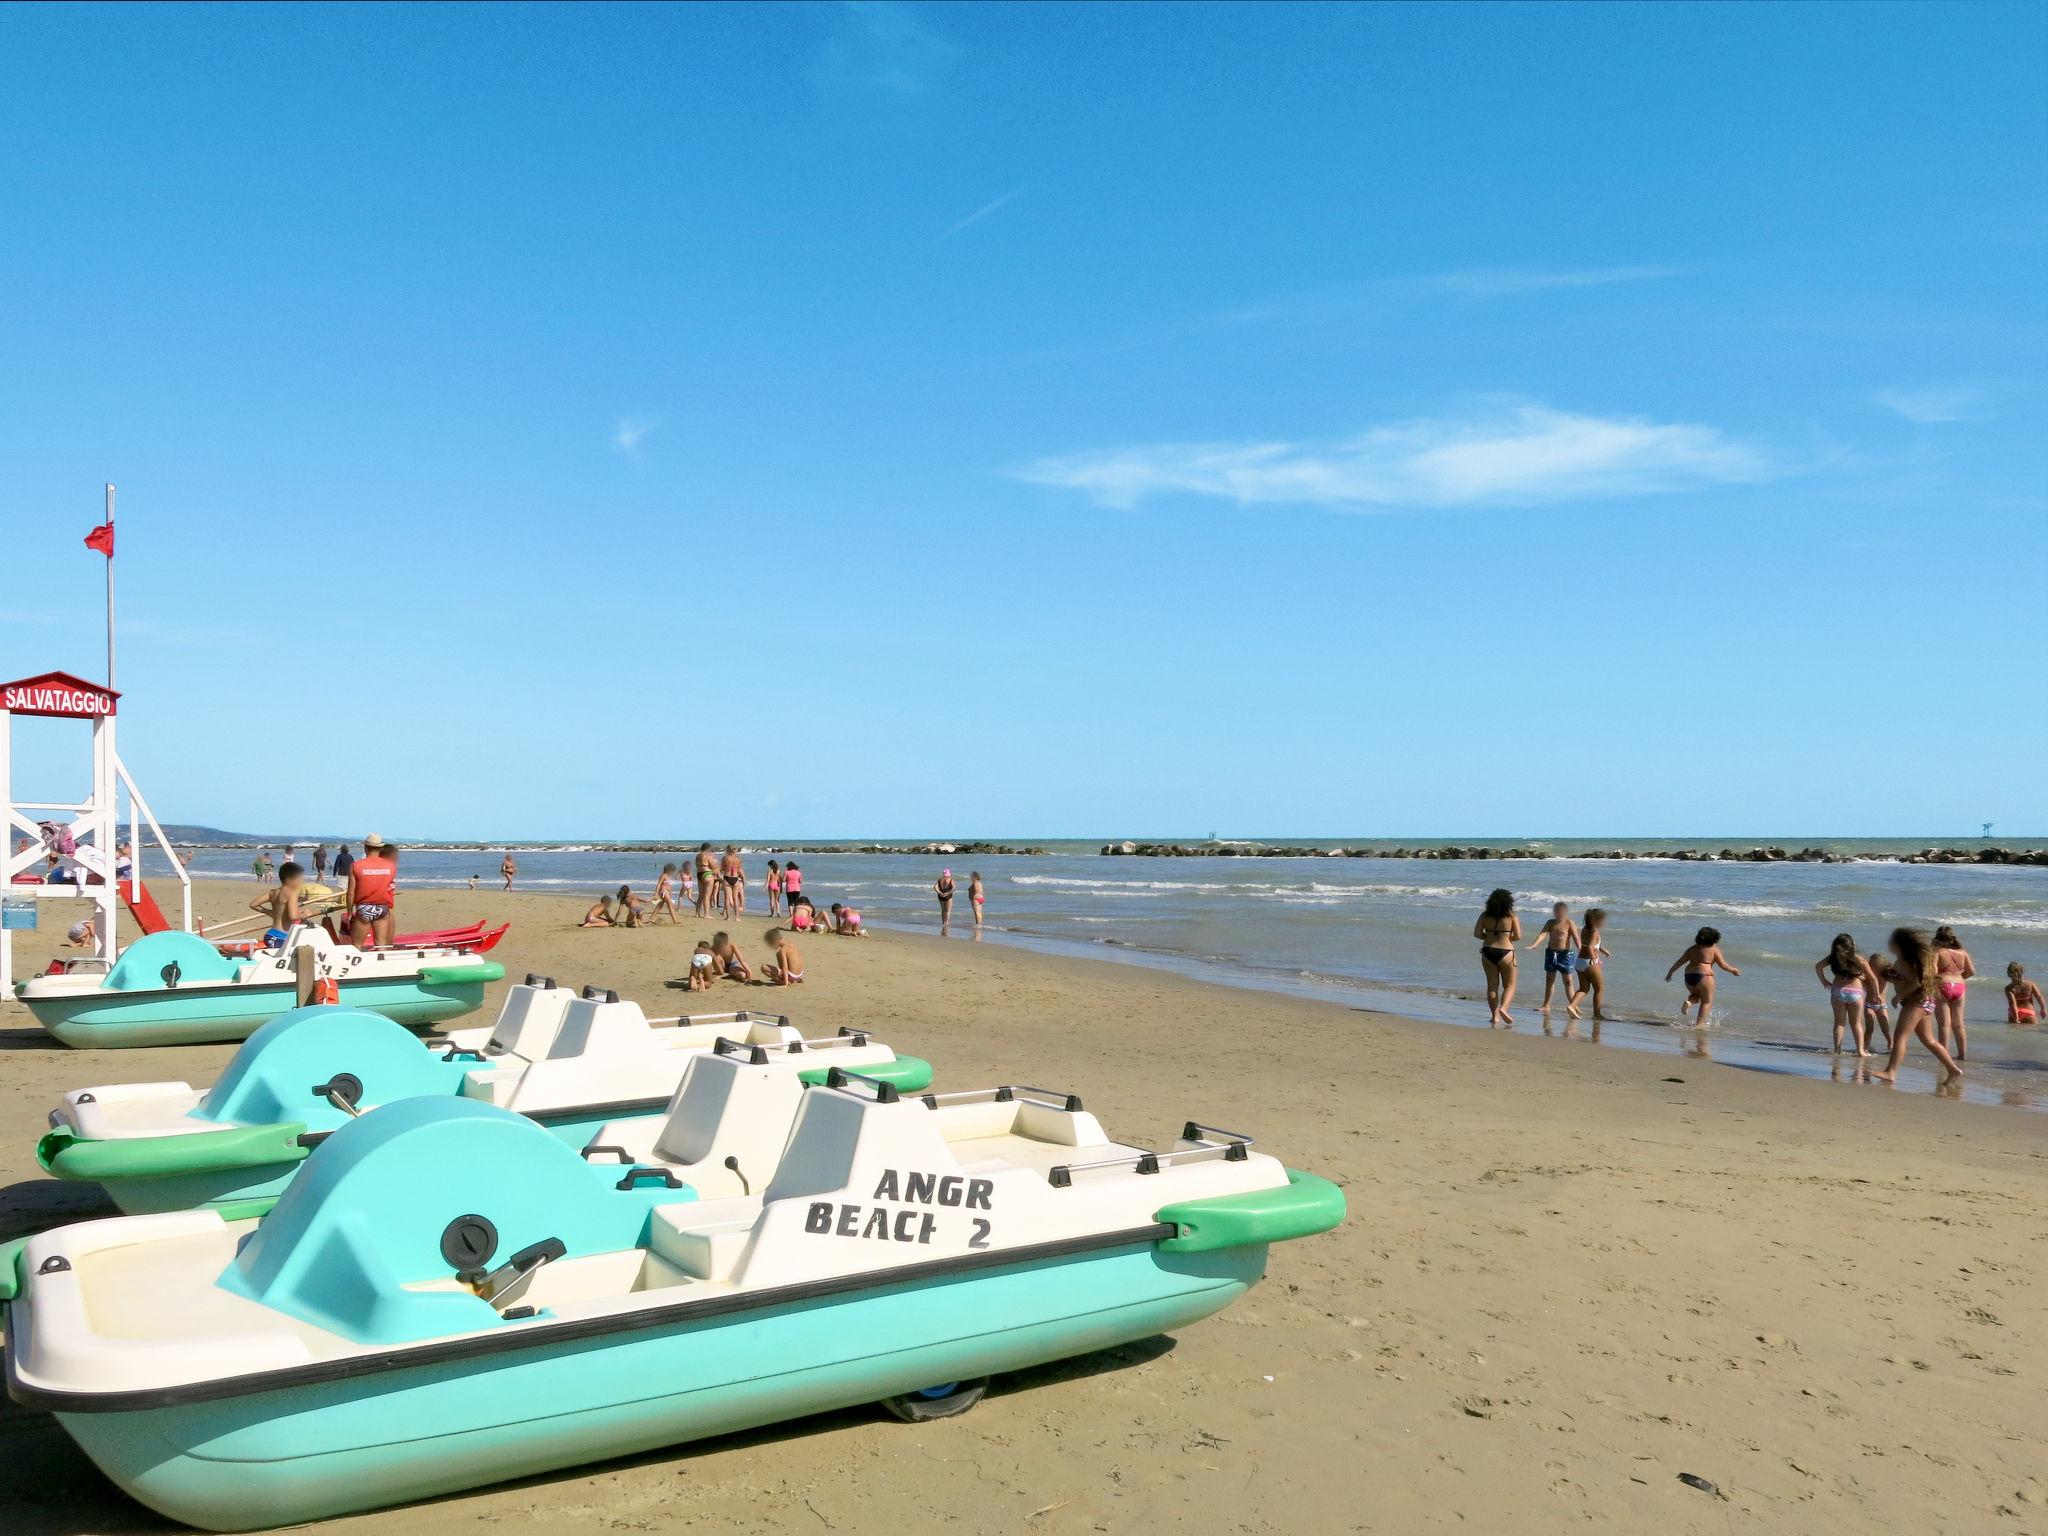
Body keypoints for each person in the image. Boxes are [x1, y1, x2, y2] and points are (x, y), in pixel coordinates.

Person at [1873, 928, 1964, 1085]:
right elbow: (1906, 980)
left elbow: (1917, 982)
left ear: (1899, 945)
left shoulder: (1907, 961)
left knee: (1900, 1037)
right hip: (1926, 1002)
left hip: (1916, 1003)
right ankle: (1953, 1069)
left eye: (1891, 942)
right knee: (1929, 1040)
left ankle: (1891, 1072)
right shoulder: (1905, 960)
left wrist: (1899, 996)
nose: (1889, 944)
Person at [1812, 933, 1879, 1057]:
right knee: (1856, 1024)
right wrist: (1876, 994)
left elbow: (1818, 967)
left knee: (1839, 1023)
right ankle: (1860, 1050)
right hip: (1856, 994)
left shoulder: (1833, 958)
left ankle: (1837, 1050)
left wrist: (1824, 981)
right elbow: (1873, 978)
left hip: (1838, 992)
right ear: (1852, 946)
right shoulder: (1859, 959)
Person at [1664, 926, 1738, 1027]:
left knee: (1695, 996)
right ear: (1714, 939)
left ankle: (1689, 1002)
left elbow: (1680, 961)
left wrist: (1670, 971)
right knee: (1707, 1001)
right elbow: (1722, 965)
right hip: (1705, 976)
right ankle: (1699, 1025)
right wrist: (1733, 970)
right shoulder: (1714, 950)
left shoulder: (1691, 949)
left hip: (1689, 977)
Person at [1526, 901, 1581, 1018]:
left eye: (1561, 912)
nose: (1558, 914)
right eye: (1556, 912)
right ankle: (1546, 1005)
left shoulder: (1569, 923)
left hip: (1566, 954)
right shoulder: (1550, 922)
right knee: (1550, 980)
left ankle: (1573, 1005)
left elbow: (1576, 938)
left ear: (1566, 913)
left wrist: (1581, 949)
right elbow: (1543, 934)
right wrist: (1534, 944)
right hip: (1551, 953)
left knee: (1568, 982)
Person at [1473, 889, 1520, 1026]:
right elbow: (1518, 936)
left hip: (1488, 951)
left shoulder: (1485, 915)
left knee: (1492, 986)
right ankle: (1504, 1008)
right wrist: (1506, 936)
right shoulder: (1511, 916)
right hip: (1506, 952)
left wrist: (1488, 937)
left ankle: (1495, 1017)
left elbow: (1477, 933)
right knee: (1510, 985)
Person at [1931, 925, 1975, 1062]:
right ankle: (1962, 1055)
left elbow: (1932, 972)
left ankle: (1944, 1055)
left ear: (1937, 939)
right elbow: (1971, 971)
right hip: (1959, 986)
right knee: (1959, 1024)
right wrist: (1959, 978)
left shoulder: (1937, 952)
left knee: (1944, 1024)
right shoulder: (1963, 952)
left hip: (1943, 985)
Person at [346, 836, 398, 948]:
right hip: (382, 908)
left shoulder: (356, 865)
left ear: (365, 848)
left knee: (357, 945)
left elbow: (351, 893)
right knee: (381, 944)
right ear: (380, 848)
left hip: (364, 907)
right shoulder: (391, 866)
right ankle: (381, 964)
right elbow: (389, 888)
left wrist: (350, 913)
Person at [1575, 907, 1614, 1021]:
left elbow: (1588, 944)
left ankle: (1572, 1006)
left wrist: (1602, 949)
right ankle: (1597, 1014)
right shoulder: (1595, 932)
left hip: (1579, 962)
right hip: (1589, 962)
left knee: (1584, 988)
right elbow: (1591, 947)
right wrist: (1594, 960)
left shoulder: (1584, 929)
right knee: (1599, 989)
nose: (1604, 922)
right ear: (1594, 920)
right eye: (1602, 920)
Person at [251, 861, 309, 934]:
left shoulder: (273, 893)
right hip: (282, 935)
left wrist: (270, 913)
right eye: (300, 878)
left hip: (271, 933)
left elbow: (253, 904)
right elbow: (293, 916)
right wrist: (305, 914)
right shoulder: (292, 894)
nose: (302, 881)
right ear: (290, 879)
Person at [1863, 943, 1895, 1052]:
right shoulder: (1867, 977)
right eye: (1872, 967)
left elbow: (1897, 980)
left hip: (1882, 1005)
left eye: (1877, 967)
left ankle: (1890, 1044)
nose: (1874, 970)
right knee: (1869, 1028)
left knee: (1885, 1027)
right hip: (1869, 1004)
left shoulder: (1884, 976)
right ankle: (1865, 1045)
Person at [694, 843, 717, 918]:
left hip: (699, 874)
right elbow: (714, 866)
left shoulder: (698, 855)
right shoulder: (708, 856)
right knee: (707, 895)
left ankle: (697, 913)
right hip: (707, 874)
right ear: (708, 849)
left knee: (701, 895)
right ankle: (706, 914)